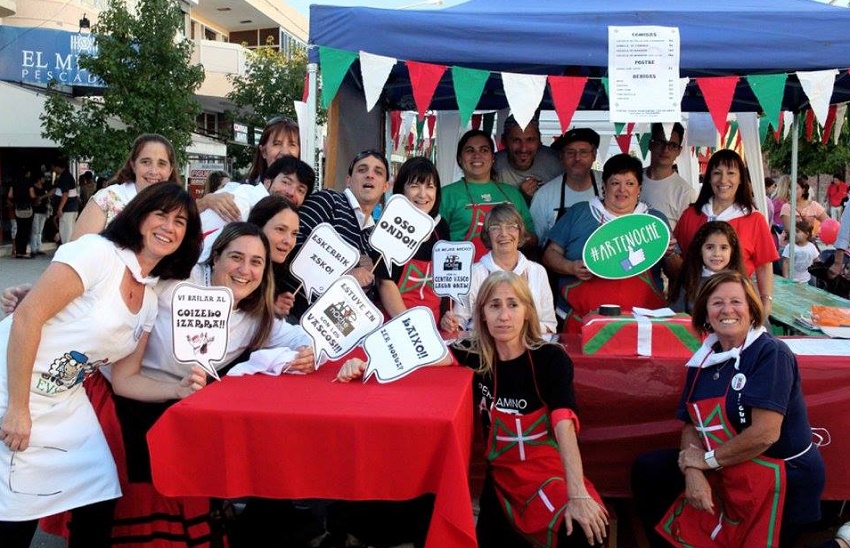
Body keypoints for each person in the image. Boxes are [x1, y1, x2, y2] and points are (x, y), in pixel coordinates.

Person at [0, 183, 201, 548]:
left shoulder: (149, 300)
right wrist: (17, 408)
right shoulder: (97, 253)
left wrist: (178, 389)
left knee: (98, 493)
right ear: (139, 216)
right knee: (17, 511)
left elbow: (125, 380)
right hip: (13, 381)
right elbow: (27, 317)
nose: (168, 226)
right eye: (161, 214)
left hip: (64, 397)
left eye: (180, 221)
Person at [632, 271, 826, 547]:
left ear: (751, 308)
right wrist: (693, 472)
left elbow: (765, 434)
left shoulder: (771, 354)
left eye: (736, 302)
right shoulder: (703, 358)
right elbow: (691, 424)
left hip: (780, 477)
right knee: (649, 470)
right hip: (728, 466)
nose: (727, 310)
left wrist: (707, 461)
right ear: (705, 311)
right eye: (717, 303)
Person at [457, 270, 608, 547]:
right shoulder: (472, 354)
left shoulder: (550, 359)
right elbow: (424, 355)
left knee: (586, 530)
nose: (504, 315)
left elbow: (564, 425)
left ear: (527, 311)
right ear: (482, 314)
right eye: (494, 305)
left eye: (513, 304)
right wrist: (360, 364)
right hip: (502, 480)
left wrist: (577, 495)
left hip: (548, 473)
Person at [542, 153, 673, 333]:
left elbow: (677, 271)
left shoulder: (654, 222)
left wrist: (669, 253)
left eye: (629, 183)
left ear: (639, 189)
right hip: (581, 320)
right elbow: (550, 254)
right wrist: (570, 267)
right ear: (604, 186)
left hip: (643, 324)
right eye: (615, 183)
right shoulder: (579, 212)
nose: (622, 190)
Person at [674, 149, 777, 317]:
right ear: (708, 178)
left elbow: (764, 265)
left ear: (741, 179)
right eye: (717, 173)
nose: (723, 180)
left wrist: (766, 302)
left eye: (731, 173)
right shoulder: (692, 214)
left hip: (737, 303)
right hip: (694, 302)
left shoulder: (754, 219)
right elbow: (680, 257)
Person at [288, 150, 390, 318]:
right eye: (362, 170)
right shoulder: (328, 200)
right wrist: (346, 276)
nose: (370, 175)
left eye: (378, 172)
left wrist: (368, 280)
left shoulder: (373, 234)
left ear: (386, 186)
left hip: (334, 328)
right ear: (348, 180)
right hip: (294, 316)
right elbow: (291, 246)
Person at [442, 203, 556, 334]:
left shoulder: (537, 271)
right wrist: (450, 324)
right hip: (483, 350)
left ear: (520, 232)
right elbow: (459, 322)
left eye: (511, 227)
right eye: (495, 228)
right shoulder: (474, 272)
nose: (504, 233)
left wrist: (518, 331)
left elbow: (549, 325)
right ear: (487, 234)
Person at [441, 129, 536, 259]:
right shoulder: (446, 195)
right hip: (463, 273)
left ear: (492, 158)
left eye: (484, 150)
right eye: (470, 150)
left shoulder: (512, 194)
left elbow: (532, 238)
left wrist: (515, 236)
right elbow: (435, 241)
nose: (477, 155)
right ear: (460, 158)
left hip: (506, 275)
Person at [198, 155, 315, 261]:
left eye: (300, 190)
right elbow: (202, 252)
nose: (291, 192)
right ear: (267, 182)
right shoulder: (243, 205)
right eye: (286, 182)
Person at [376, 156, 449, 321]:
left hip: (433, 323)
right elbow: (385, 283)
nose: (423, 194)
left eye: (430, 187)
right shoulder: (390, 226)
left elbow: (446, 280)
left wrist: (446, 316)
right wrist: (409, 326)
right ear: (402, 190)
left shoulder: (440, 227)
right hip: (397, 323)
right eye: (414, 186)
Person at [73, 133, 180, 239]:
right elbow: (75, 252)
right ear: (133, 165)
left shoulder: (177, 207)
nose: (153, 171)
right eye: (146, 162)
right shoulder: (107, 200)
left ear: (170, 170)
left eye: (161, 164)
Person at [200, 116, 300, 222]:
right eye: (277, 144)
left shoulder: (304, 197)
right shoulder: (236, 190)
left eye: (292, 144)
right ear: (263, 151)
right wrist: (206, 201)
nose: (284, 152)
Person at [530, 127, 603, 244]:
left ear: (594, 155)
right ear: (561, 157)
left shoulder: (610, 186)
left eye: (583, 152)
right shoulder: (544, 195)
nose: (577, 158)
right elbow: (536, 241)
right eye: (570, 153)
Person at [668, 221, 746, 313]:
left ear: (732, 251)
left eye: (723, 248)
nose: (716, 254)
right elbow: (676, 318)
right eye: (709, 248)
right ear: (700, 250)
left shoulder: (743, 284)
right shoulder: (688, 282)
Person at [493, 115, 563, 203]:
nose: (523, 148)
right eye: (516, 140)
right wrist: (521, 196)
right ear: (504, 141)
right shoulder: (492, 165)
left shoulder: (556, 162)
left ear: (539, 141)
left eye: (530, 140)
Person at [640, 123, 696, 231]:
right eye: (661, 142)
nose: (666, 149)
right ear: (650, 144)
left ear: (679, 150)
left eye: (673, 145)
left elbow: (688, 236)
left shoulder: (685, 193)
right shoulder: (632, 180)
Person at [50, 156, 79, 244]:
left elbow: (65, 194)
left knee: (66, 232)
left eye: (53, 167)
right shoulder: (66, 176)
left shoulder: (65, 177)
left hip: (67, 209)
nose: (53, 169)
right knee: (69, 231)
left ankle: (67, 254)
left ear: (57, 167)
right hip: (71, 208)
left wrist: (60, 208)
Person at [8, 170, 34, 258]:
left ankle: (18, 251)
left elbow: (10, 195)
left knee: (19, 229)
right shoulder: (29, 182)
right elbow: (32, 195)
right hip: (27, 208)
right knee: (26, 230)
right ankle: (23, 251)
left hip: (18, 208)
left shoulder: (14, 183)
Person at [29, 173, 49, 256]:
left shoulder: (44, 187)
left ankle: (38, 247)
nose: (44, 180)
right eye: (42, 178)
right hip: (36, 211)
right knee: (35, 230)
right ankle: (33, 248)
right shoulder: (33, 188)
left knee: (40, 230)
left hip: (43, 210)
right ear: (38, 179)